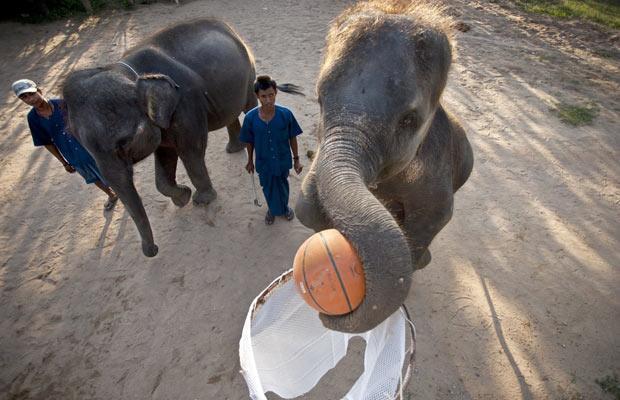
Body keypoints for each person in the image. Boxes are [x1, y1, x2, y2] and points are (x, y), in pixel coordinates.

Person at [11, 79, 118, 211]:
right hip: (71, 154)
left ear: (39, 91)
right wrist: (64, 162)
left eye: (31, 94)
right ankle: (111, 195)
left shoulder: (63, 104)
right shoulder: (32, 118)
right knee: (92, 176)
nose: (30, 99)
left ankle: (126, 193)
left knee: (110, 171)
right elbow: (47, 143)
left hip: (90, 147)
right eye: (24, 97)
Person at [240, 75, 303, 225]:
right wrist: (250, 161)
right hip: (263, 162)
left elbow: (292, 137)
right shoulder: (250, 118)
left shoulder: (286, 114)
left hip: (282, 160)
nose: (268, 100)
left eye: (271, 95)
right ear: (257, 96)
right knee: (267, 187)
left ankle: (284, 208)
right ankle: (272, 210)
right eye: (263, 96)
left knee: (283, 185)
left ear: (276, 93)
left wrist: (297, 160)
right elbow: (249, 141)